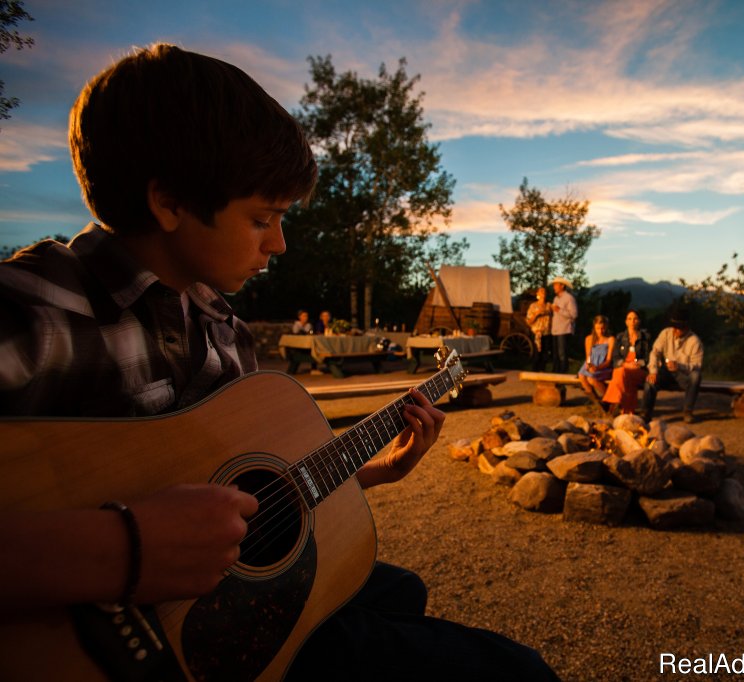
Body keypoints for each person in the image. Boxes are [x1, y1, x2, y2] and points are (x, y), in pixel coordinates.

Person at [0, 44, 557, 681]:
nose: (280, 242)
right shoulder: (35, 314)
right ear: (170, 202)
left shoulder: (222, 330)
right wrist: (122, 549)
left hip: (231, 620)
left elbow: (254, 503)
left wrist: (371, 473)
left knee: (397, 590)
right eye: (262, 217)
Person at [641, 311, 704, 424]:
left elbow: (697, 365)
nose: (675, 330)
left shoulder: (695, 342)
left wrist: (679, 366)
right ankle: (645, 414)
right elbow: (654, 353)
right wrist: (653, 371)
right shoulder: (666, 333)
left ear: (686, 328)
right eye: (674, 327)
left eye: (678, 328)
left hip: (683, 375)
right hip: (665, 372)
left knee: (696, 376)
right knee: (650, 381)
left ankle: (688, 412)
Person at [602, 309, 653, 416]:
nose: (632, 321)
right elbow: (615, 357)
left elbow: (649, 358)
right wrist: (625, 364)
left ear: (638, 321)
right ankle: (627, 411)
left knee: (620, 373)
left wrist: (638, 364)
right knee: (622, 374)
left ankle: (611, 402)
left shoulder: (645, 337)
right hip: (624, 369)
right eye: (629, 319)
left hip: (639, 370)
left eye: (635, 318)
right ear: (626, 322)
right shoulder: (620, 337)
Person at [577, 315, 615, 400]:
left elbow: (609, 360)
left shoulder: (610, 339)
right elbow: (588, 356)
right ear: (594, 328)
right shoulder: (589, 339)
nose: (600, 331)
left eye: (603, 328)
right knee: (581, 376)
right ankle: (595, 399)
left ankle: (609, 397)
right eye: (598, 328)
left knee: (591, 379)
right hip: (591, 363)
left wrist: (597, 368)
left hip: (603, 366)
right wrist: (589, 364)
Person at [549, 276, 577, 373]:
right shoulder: (555, 299)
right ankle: (556, 372)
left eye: (555, 285)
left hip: (564, 330)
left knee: (562, 354)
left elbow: (574, 314)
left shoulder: (569, 298)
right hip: (555, 330)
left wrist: (559, 310)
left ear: (562, 286)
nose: (554, 287)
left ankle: (563, 373)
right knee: (555, 354)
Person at [525, 286, 552, 371]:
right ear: (537, 294)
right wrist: (536, 314)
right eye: (541, 291)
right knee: (537, 355)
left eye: (544, 292)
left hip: (547, 333)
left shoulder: (549, 305)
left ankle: (542, 372)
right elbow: (528, 321)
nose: (543, 293)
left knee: (545, 355)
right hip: (537, 333)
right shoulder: (533, 306)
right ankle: (535, 372)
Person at [287, 309, 320, 375]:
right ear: (299, 317)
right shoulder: (296, 325)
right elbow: (295, 335)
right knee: (296, 354)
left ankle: (314, 368)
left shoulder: (309, 325)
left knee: (315, 349)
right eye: (304, 316)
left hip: (307, 345)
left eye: (306, 316)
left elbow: (311, 333)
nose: (305, 317)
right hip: (298, 347)